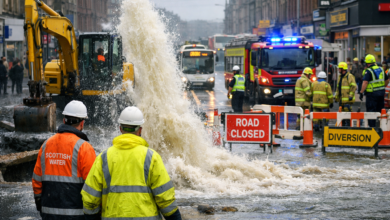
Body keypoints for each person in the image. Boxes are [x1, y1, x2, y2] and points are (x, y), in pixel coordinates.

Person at [82, 107, 182, 220]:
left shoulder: (104, 157)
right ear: (140, 130)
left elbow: (89, 198)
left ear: (120, 128)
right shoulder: (151, 157)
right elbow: (165, 198)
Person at [32, 100, 96, 219]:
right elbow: (92, 186)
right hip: (76, 214)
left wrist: (39, 203)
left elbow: (36, 179)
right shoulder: (84, 148)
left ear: (63, 120)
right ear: (82, 123)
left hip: (48, 213)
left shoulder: (46, 145)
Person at [360, 54, 390, 127]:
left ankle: (372, 128)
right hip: (381, 93)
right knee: (380, 111)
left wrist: (361, 92)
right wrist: (382, 86)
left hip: (372, 95)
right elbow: (387, 80)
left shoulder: (368, 71)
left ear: (367, 63)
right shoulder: (381, 69)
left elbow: (365, 82)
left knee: (371, 112)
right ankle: (381, 127)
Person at [335, 62, 357, 126]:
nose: (338, 69)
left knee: (348, 115)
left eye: (339, 68)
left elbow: (353, 86)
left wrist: (351, 95)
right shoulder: (340, 77)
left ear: (343, 69)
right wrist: (336, 97)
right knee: (342, 116)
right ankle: (344, 127)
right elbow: (338, 88)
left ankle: (349, 127)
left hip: (347, 100)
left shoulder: (349, 76)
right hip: (341, 101)